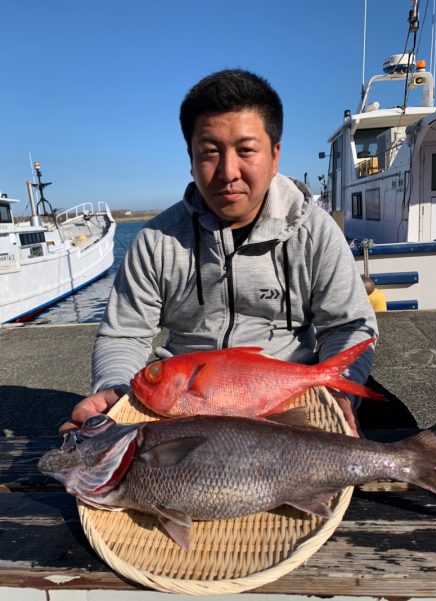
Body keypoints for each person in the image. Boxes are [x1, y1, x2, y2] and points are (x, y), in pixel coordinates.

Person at [61, 69, 378, 436]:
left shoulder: (316, 232)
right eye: (210, 152)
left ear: (275, 155)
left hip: (290, 392)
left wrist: (339, 392)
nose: (228, 172)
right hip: (183, 402)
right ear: (191, 157)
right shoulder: (155, 241)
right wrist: (113, 388)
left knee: (399, 442)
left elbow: (348, 326)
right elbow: (124, 335)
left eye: (246, 150)